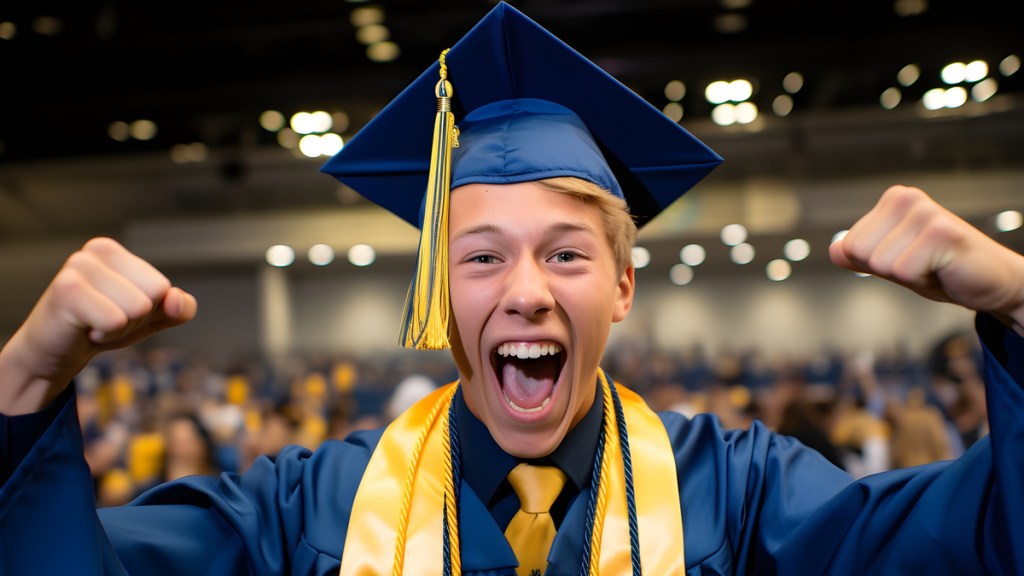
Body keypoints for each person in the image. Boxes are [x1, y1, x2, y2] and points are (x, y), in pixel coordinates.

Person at [1, 3, 1023, 574]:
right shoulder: (306, 507)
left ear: (622, 286)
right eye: (480, 256)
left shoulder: (747, 493)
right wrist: (26, 387)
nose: (526, 291)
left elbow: (984, 539)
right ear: (437, 292)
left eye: (567, 254)